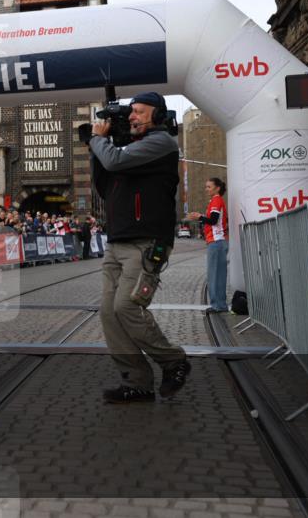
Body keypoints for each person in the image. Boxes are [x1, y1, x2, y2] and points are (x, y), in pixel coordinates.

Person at [88, 91, 190, 403]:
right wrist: (98, 150)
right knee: (108, 312)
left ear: (158, 116)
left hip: (147, 242)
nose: (133, 117)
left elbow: (114, 160)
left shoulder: (160, 144)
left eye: (140, 112)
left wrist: (97, 141)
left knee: (127, 307)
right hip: (117, 242)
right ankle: (137, 381)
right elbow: (104, 186)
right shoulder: (129, 148)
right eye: (131, 112)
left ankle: (173, 361)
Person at [189, 177, 229, 313]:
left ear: (217, 188)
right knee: (219, 274)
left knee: (215, 274)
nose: (206, 189)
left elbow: (213, 220)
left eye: (209, 187)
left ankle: (218, 305)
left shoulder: (216, 200)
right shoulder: (215, 200)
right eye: (206, 187)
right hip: (218, 241)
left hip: (216, 241)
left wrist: (199, 217)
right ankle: (220, 304)